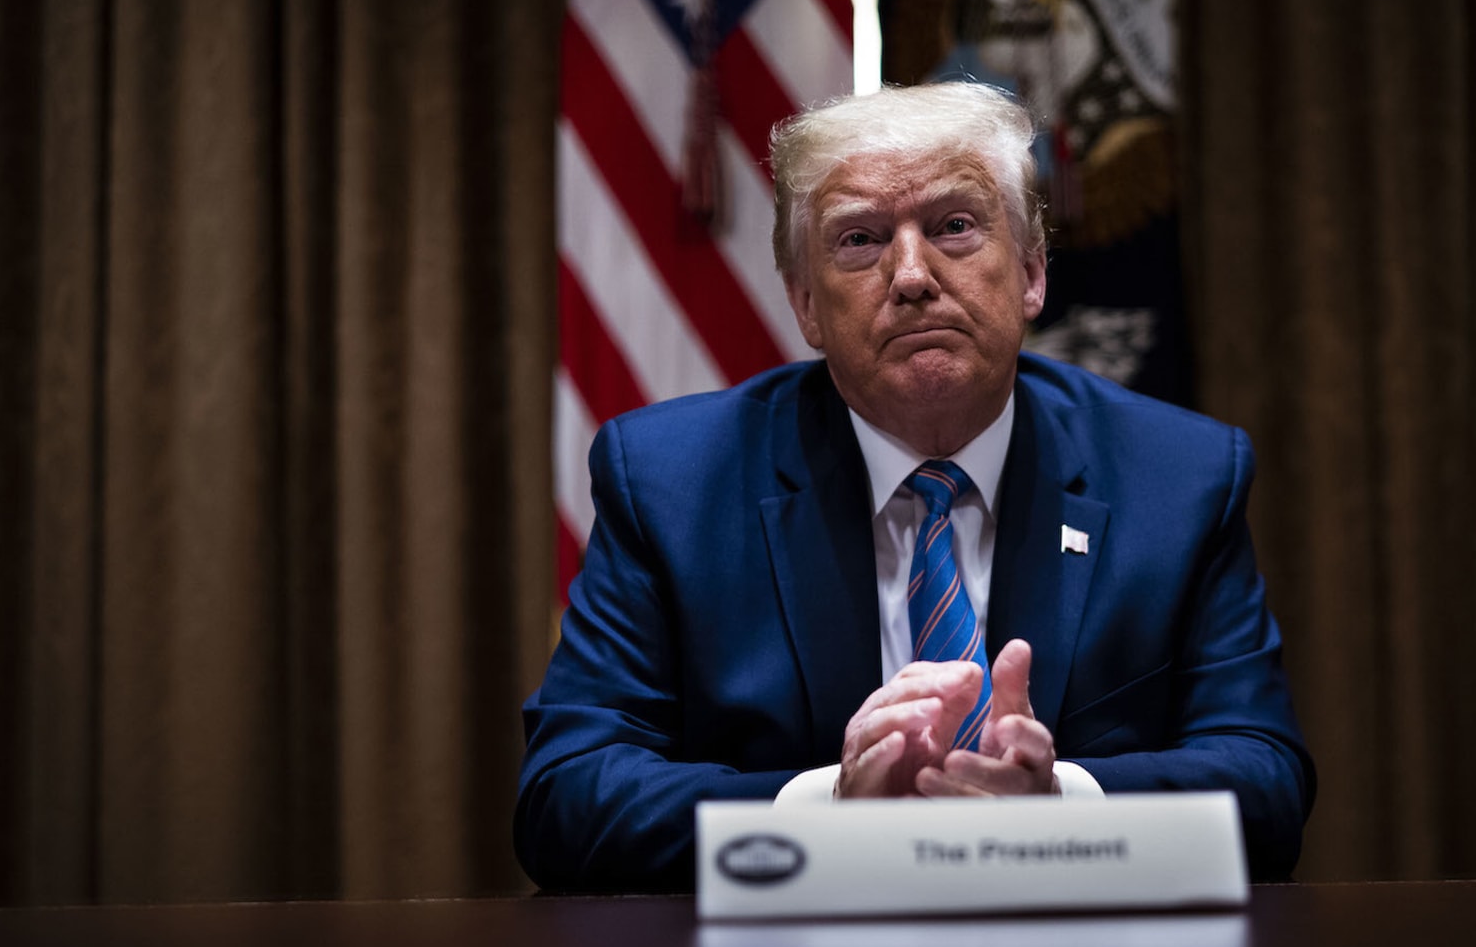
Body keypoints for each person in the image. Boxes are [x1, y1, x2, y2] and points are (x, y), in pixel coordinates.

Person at [517, 82, 1313, 893]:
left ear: (1032, 271)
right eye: (859, 240)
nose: (910, 276)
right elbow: (566, 795)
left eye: (954, 226)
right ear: (805, 305)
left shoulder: (1178, 477)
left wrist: (1063, 800)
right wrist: (824, 808)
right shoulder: (670, 482)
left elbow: (1266, 781)